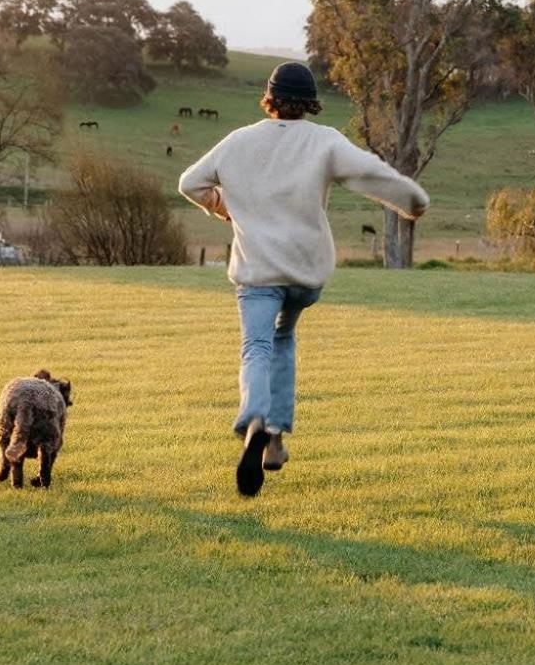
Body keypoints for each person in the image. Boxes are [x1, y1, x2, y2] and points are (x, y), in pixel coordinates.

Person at [178, 61, 429, 497]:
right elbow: (371, 174)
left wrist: (225, 206)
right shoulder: (324, 141)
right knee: (284, 338)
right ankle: (274, 439)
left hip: (258, 271)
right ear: (309, 103)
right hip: (305, 273)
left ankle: (255, 418)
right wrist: (413, 202)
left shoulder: (238, 141)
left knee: (256, 346)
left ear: (270, 99)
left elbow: (189, 182)